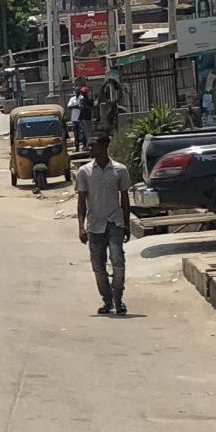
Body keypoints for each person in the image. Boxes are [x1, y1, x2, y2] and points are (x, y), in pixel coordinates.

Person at [74, 134, 132, 316]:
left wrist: (127, 224)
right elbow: (81, 201)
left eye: (93, 145)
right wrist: (81, 227)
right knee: (98, 266)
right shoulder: (84, 171)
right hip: (94, 224)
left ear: (105, 145)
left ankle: (118, 299)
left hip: (114, 222)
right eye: (89, 146)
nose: (90, 149)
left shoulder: (119, 170)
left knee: (118, 260)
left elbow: (125, 199)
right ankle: (107, 301)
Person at [67, 86, 88, 152]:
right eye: (75, 91)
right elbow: (69, 107)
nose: (77, 92)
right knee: (76, 134)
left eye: (78, 91)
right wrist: (76, 106)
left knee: (82, 133)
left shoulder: (82, 98)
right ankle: (77, 148)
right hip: (74, 119)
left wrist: (74, 106)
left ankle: (84, 146)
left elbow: (82, 107)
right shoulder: (72, 99)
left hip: (81, 118)